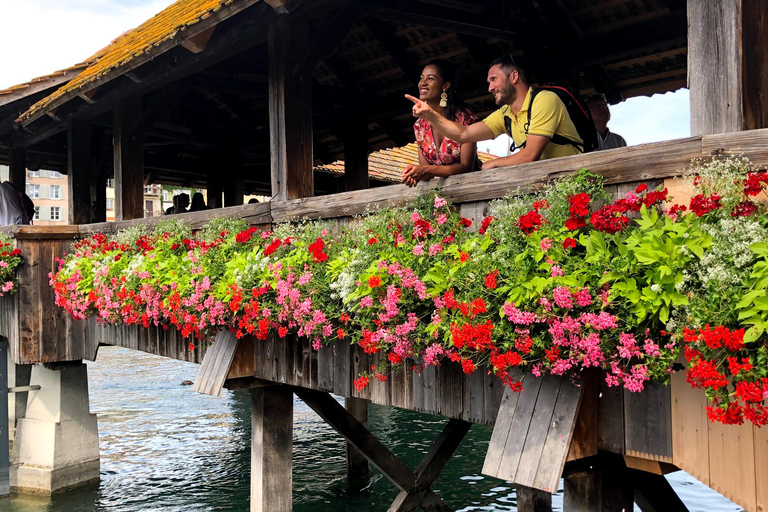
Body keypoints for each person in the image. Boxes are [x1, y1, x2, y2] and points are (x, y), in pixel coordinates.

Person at [406, 55, 583, 170]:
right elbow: (464, 133)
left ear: (513, 77)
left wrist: (492, 163)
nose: (490, 88)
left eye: (493, 80)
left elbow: (530, 155)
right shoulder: (504, 114)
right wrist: (429, 114)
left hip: (574, 177)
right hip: (545, 182)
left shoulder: (545, 99)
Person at [401, 59, 480, 187]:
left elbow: (466, 167)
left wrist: (425, 170)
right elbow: (426, 171)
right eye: (422, 78)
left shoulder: (464, 119)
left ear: (445, 85)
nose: (423, 83)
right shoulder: (420, 126)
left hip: (472, 189)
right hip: (443, 196)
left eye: (430, 79)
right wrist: (414, 174)